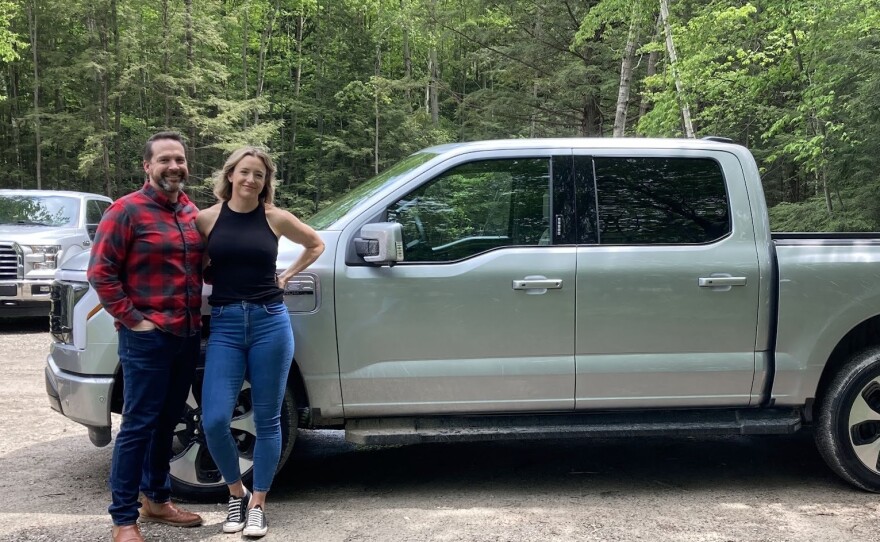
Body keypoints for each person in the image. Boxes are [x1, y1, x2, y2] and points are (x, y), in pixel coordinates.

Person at [197, 146, 324, 538]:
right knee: (215, 418)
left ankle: (258, 505)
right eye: (245, 172)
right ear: (230, 175)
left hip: (270, 322)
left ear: (266, 182)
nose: (251, 180)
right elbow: (193, 262)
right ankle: (235, 493)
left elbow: (315, 244)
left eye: (259, 175)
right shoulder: (206, 219)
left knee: (268, 420)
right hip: (226, 326)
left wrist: (286, 276)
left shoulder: (275, 218)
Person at [88, 131, 205, 542]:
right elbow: (100, 272)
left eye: (180, 159)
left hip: (188, 334)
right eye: (165, 160)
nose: (174, 167)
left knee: (167, 422)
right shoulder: (126, 211)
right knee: (138, 425)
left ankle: (157, 499)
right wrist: (133, 319)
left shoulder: (191, 212)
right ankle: (124, 519)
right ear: (147, 166)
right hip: (147, 338)